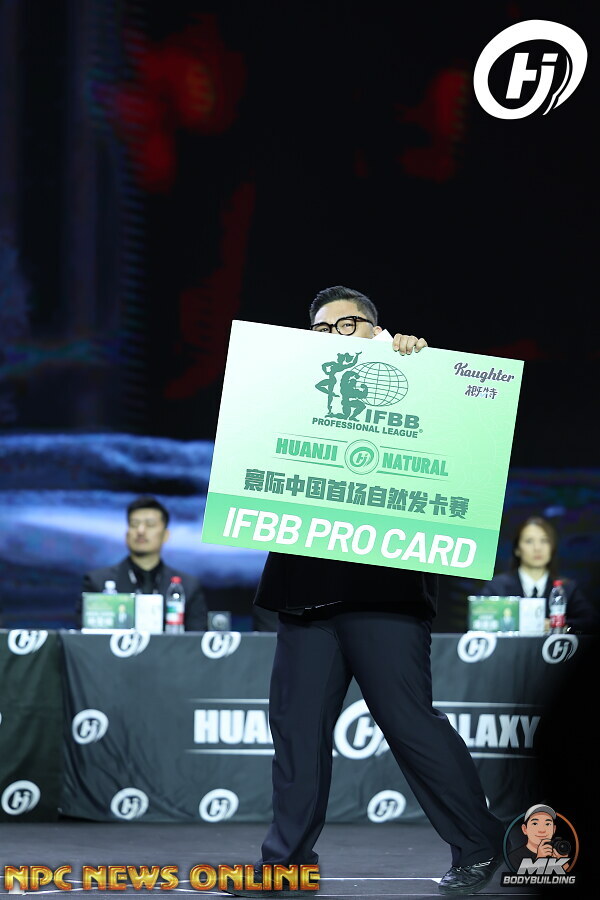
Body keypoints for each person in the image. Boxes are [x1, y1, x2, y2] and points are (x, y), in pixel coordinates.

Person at [230, 286, 505, 898]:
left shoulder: (410, 372)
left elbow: (457, 425)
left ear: (374, 328)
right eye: (320, 330)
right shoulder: (289, 388)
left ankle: (480, 845)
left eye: (346, 324)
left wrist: (417, 361)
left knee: (410, 725)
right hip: (305, 592)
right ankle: (286, 865)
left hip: (385, 591)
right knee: (296, 734)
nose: (333, 336)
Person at [80, 496, 207, 631]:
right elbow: (83, 639)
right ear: (127, 534)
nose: (140, 531)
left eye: (150, 524)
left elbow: (196, 640)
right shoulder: (97, 583)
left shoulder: (187, 587)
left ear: (165, 535)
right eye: (134, 524)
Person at [475, 515, 599, 634]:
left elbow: (592, 622)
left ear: (552, 547)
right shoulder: (497, 587)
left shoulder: (566, 588)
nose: (537, 548)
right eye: (529, 541)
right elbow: (477, 620)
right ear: (517, 549)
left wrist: (561, 627)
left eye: (544, 541)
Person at [507, 804, 568, 871]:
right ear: (525, 829)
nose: (542, 830)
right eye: (535, 823)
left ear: (554, 829)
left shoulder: (558, 850)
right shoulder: (514, 857)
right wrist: (539, 860)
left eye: (547, 824)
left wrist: (562, 862)